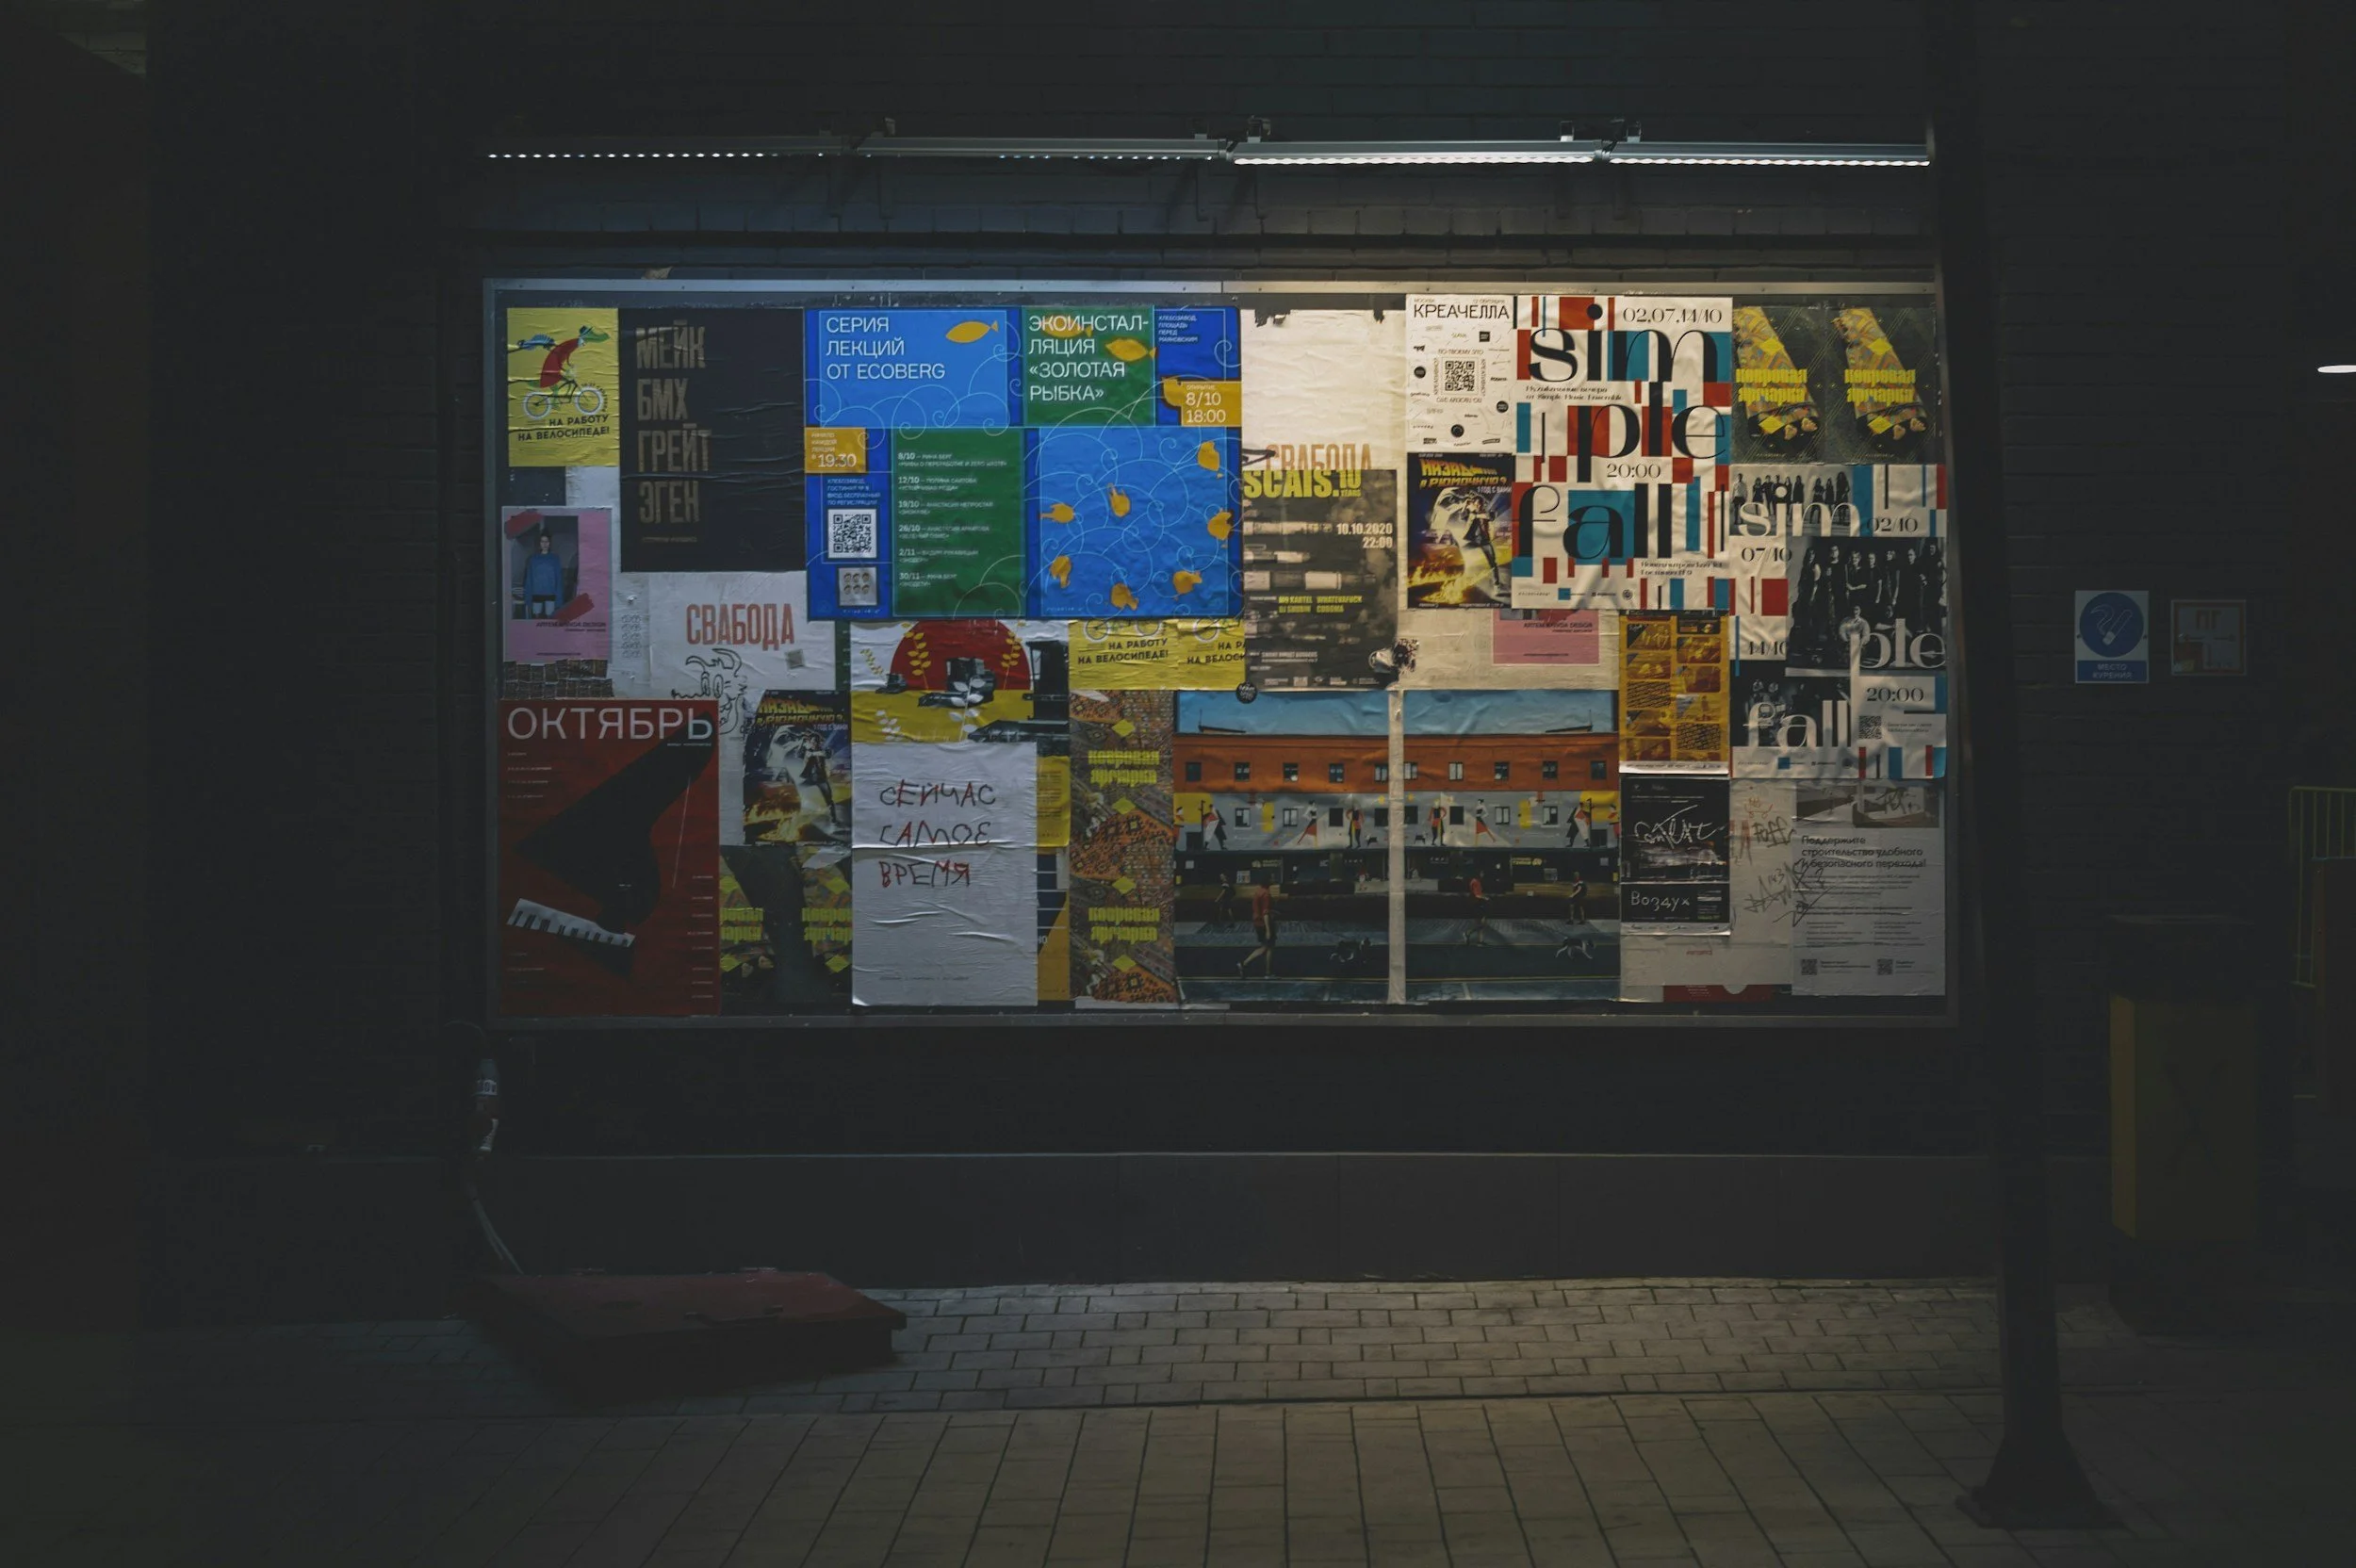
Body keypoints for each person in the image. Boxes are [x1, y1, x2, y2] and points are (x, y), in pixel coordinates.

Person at [1238, 881, 1279, 978]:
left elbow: (1260, 909)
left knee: (1265, 947)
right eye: (1271, 878)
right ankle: (1267, 973)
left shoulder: (1258, 892)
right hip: (1264, 924)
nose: (1273, 880)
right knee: (1269, 948)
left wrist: (1273, 911)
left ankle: (1244, 964)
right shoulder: (1266, 894)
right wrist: (1268, 930)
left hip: (1258, 923)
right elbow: (1265, 913)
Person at [521, 531, 564, 617]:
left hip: (551, 594)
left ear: (549, 543)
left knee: (549, 619)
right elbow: (529, 579)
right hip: (536, 594)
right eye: (542, 541)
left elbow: (559, 579)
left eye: (546, 541)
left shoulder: (555, 559)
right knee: (537, 619)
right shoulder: (533, 559)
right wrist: (528, 597)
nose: (544, 544)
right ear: (539, 543)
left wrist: (559, 598)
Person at [1464, 873, 1488, 946]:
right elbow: (1477, 895)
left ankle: (1480, 941)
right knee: (1482, 923)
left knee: (1480, 923)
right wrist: (1486, 898)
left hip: (1476, 904)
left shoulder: (1475, 881)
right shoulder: (1476, 882)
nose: (1483, 875)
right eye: (1481, 873)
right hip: (1476, 904)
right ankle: (1468, 933)